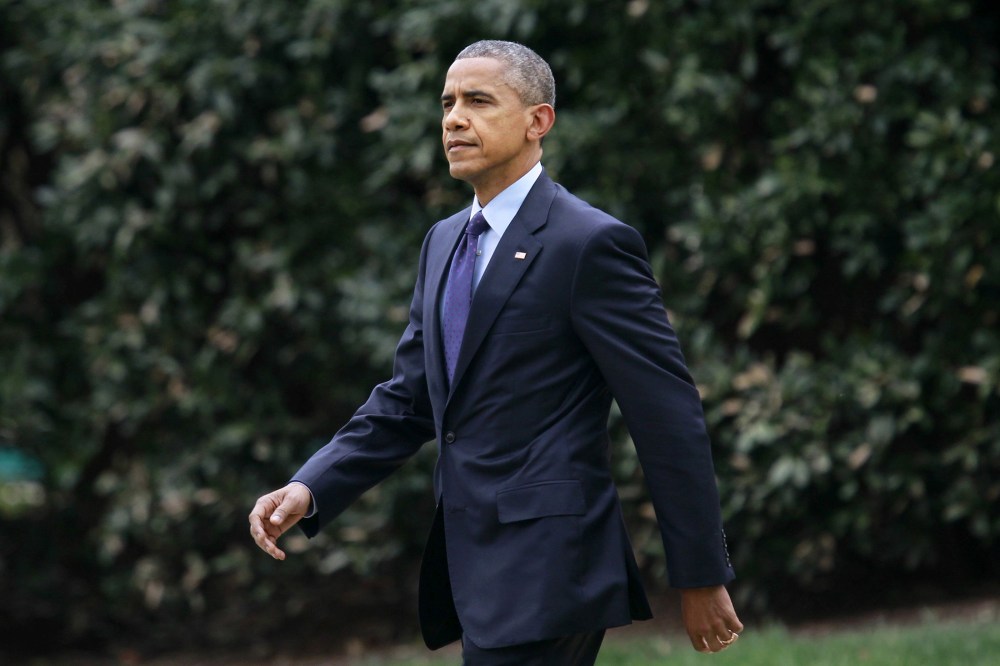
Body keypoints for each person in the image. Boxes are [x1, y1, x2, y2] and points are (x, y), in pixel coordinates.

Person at [250, 40, 743, 665]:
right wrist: (310, 486)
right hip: (475, 567)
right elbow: (409, 399)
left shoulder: (588, 244)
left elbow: (666, 412)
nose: (455, 118)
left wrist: (699, 573)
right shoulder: (444, 240)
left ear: (539, 122)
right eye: (448, 103)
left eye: (479, 101)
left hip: (551, 566)